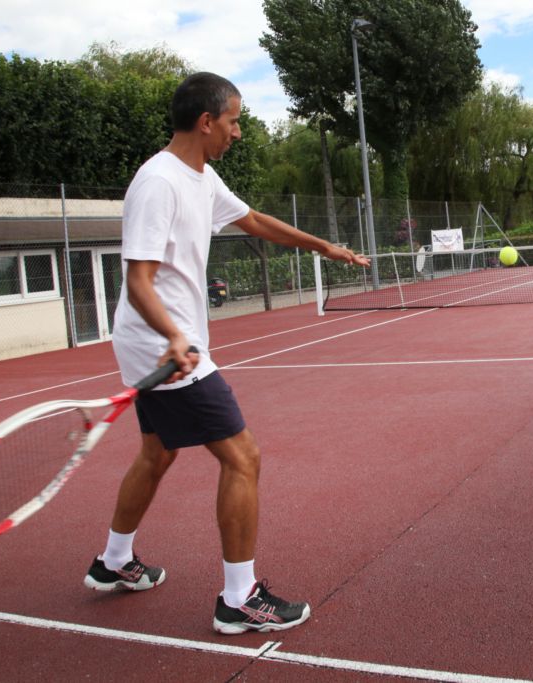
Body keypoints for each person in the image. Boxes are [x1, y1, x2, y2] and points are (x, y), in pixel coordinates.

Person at [83, 72, 370, 635]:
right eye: (234, 121)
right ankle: (239, 600)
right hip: (161, 343)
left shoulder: (201, 177)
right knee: (243, 457)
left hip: (168, 340)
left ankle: (113, 563)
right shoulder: (158, 182)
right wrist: (172, 336)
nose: (238, 132)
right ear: (206, 121)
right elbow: (137, 279)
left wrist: (324, 247)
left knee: (157, 453)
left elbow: (255, 221)